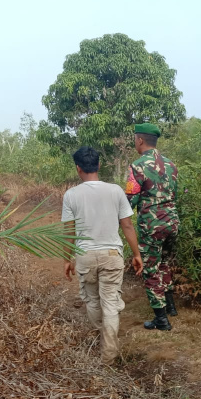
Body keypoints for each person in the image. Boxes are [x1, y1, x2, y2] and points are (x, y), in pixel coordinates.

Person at [62, 146, 143, 365]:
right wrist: (136, 254)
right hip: (111, 255)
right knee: (110, 304)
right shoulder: (115, 191)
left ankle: (102, 342)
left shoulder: (71, 195)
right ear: (98, 165)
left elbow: (69, 231)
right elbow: (126, 224)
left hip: (85, 256)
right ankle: (109, 355)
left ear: (78, 168)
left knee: (92, 302)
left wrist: (66, 259)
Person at [125, 123, 179, 331]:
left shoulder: (137, 167)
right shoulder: (171, 165)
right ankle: (171, 306)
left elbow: (129, 201)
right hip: (172, 222)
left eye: (134, 139)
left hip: (152, 225)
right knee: (164, 262)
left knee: (150, 268)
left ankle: (161, 319)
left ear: (140, 140)